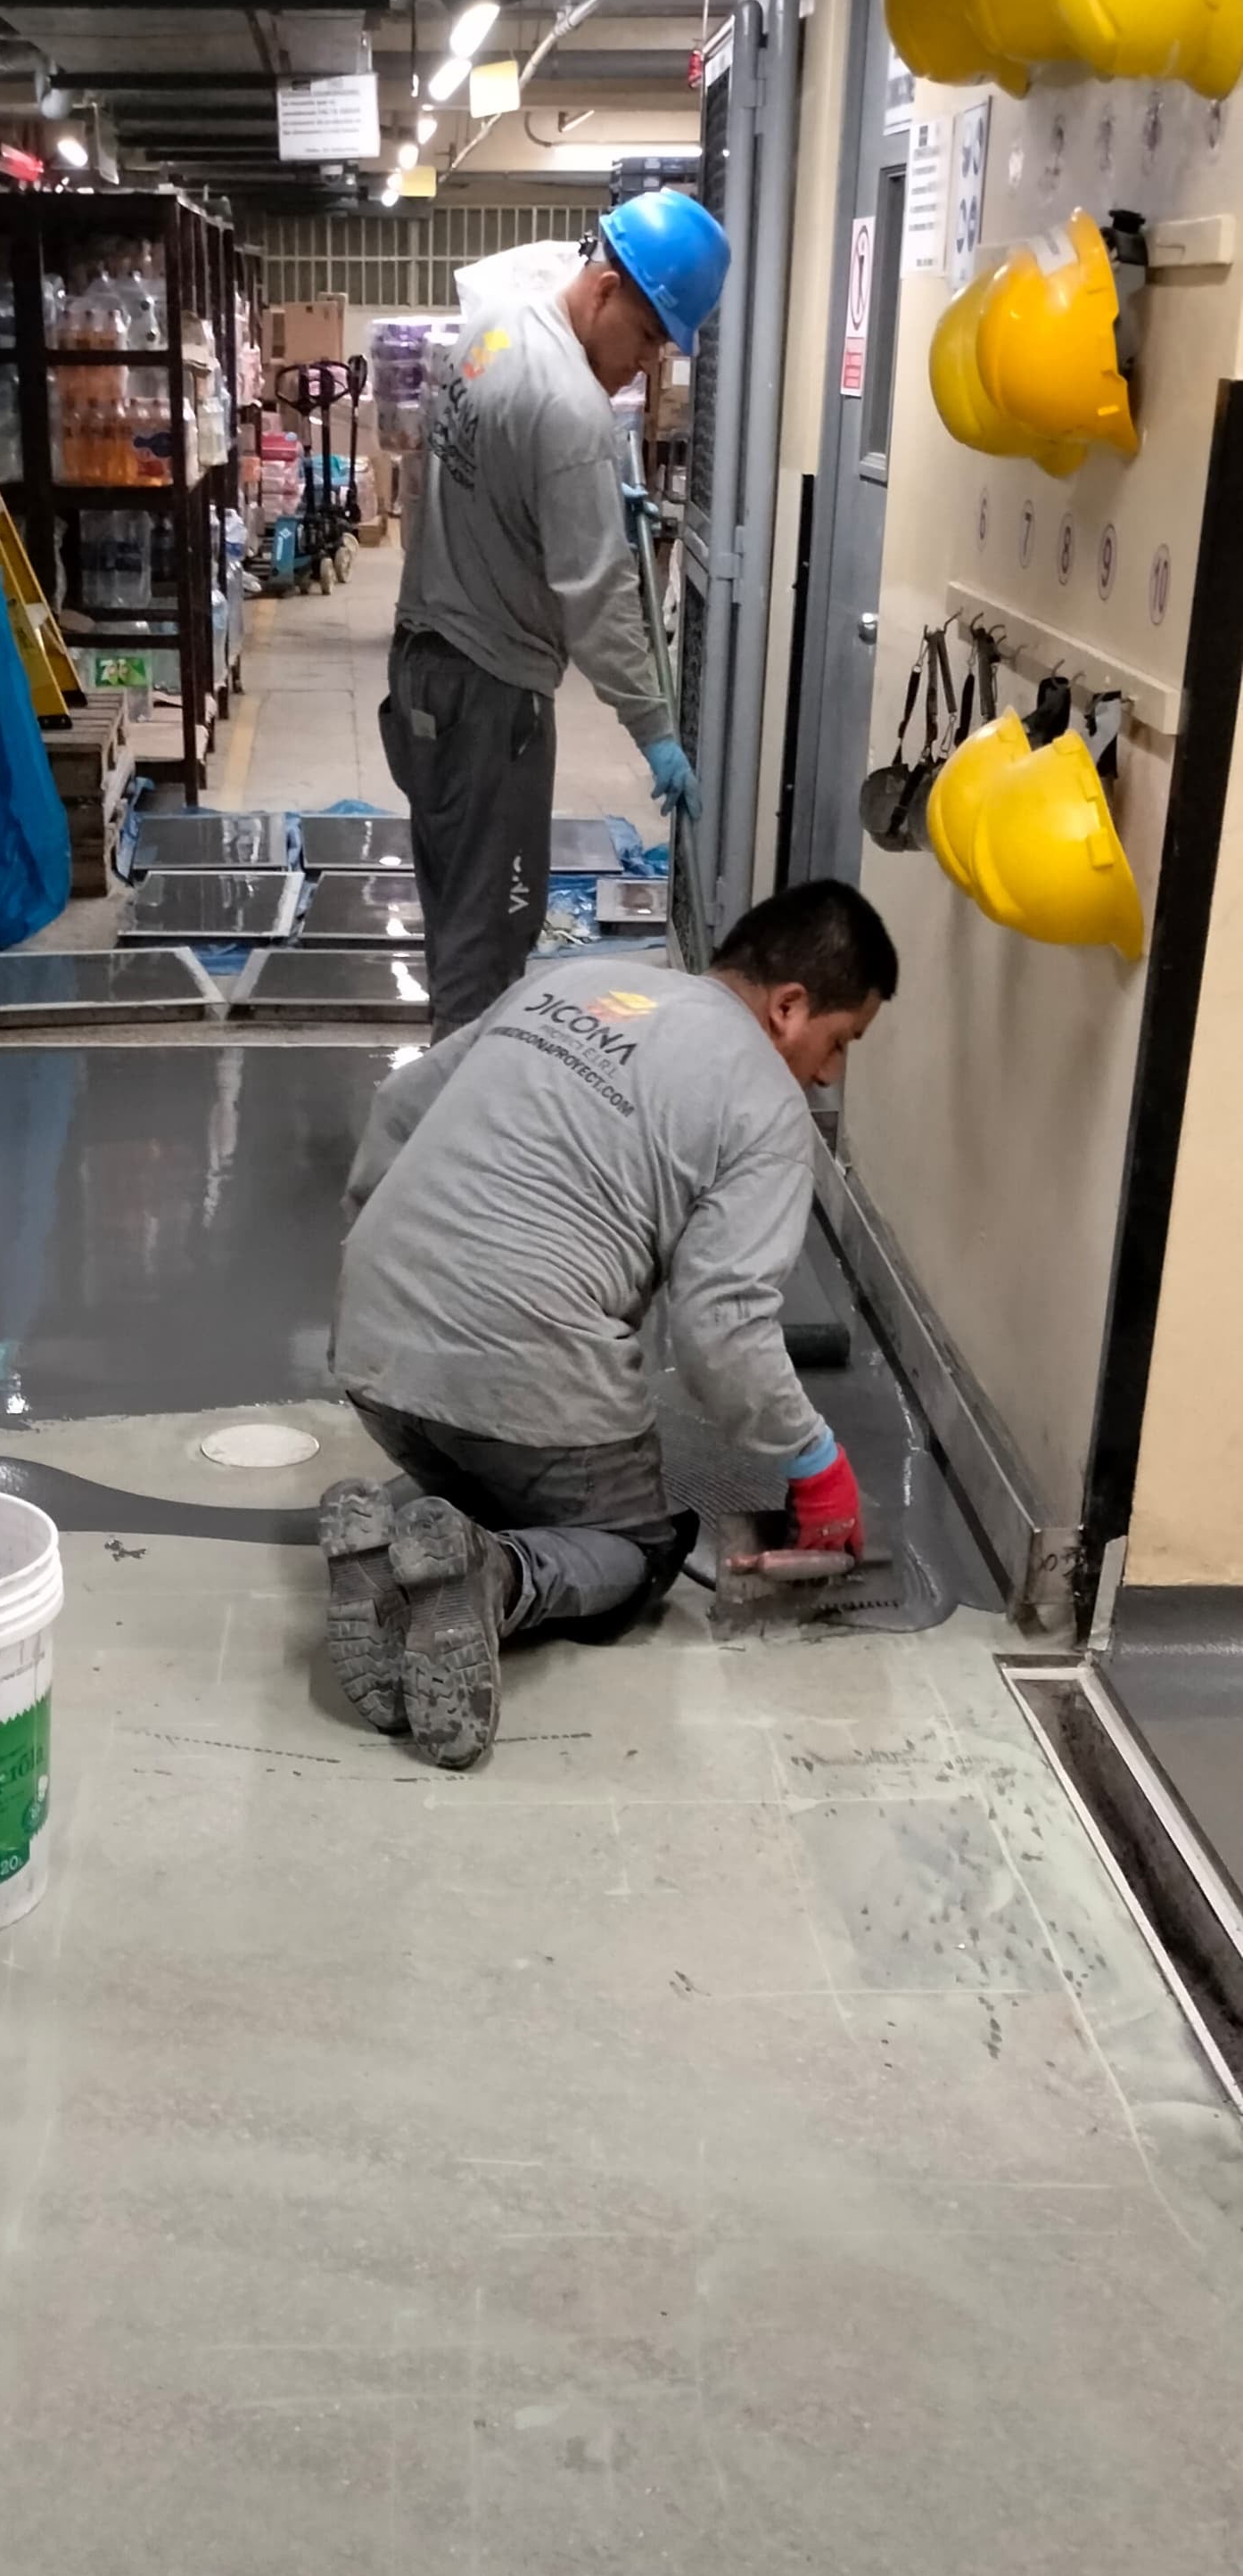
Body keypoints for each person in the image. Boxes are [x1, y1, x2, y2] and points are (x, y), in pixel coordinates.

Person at [319, 879, 899, 1771]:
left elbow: (398, 1107)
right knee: (636, 1546)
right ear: (788, 1007)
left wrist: (388, 1273)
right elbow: (721, 1330)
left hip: (372, 1358)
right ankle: (489, 1577)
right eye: (839, 1042)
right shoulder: (767, 1106)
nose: (828, 1075)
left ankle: (391, 1549)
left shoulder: (580, 981)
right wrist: (811, 1459)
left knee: (494, 1478)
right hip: (519, 1364)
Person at [383, 192, 730, 1039]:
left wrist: (585, 494)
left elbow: (486, 470)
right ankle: (463, 1116)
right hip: (491, 698)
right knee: (490, 944)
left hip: (423, 667)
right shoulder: (572, 410)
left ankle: (447, 1088)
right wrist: (653, 727)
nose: (645, 365)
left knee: (454, 911)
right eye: (645, 337)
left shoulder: (495, 323)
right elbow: (597, 594)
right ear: (605, 289)